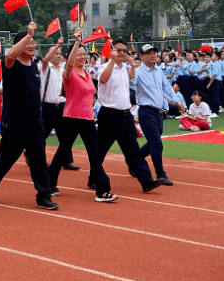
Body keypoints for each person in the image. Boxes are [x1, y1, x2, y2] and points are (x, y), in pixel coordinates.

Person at [0, 23, 58, 210]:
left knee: (39, 159)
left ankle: (43, 196)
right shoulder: (11, 64)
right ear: (18, 44)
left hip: (35, 123)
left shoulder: (34, 67)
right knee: (5, 160)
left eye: (33, 42)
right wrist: (28, 35)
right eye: (27, 42)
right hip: (14, 122)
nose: (32, 45)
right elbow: (9, 55)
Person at [47, 32, 113, 201]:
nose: (83, 57)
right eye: (79, 54)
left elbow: (90, 95)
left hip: (88, 119)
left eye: (85, 54)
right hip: (71, 118)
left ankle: (101, 190)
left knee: (94, 153)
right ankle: (49, 183)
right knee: (63, 152)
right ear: (71, 57)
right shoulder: (68, 73)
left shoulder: (86, 73)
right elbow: (69, 66)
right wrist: (77, 42)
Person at [96, 41, 165, 194]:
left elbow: (131, 78)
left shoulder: (125, 68)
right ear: (111, 51)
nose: (121, 53)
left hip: (125, 115)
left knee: (133, 150)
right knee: (100, 150)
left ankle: (146, 181)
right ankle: (94, 177)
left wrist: (132, 66)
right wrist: (113, 61)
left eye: (124, 50)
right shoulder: (104, 66)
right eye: (118, 50)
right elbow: (102, 79)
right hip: (108, 114)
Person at [135, 43, 186, 185]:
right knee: (157, 143)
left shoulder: (158, 71)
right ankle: (161, 174)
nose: (153, 55)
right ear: (142, 56)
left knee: (153, 142)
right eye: (149, 53)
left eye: (154, 52)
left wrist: (176, 101)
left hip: (158, 113)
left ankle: (135, 160)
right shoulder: (138, 72)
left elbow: (166, 87)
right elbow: (129, 86)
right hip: (146, 111)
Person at [40, 41, 78, 171]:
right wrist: (57, 45)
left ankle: (67, 161)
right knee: (42, 135)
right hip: (47, 107)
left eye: (60, 54)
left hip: (62, 106)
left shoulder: (64, 69)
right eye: (55, 53)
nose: (58, 55)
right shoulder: (45, 67)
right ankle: (35, 157)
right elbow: (45, 60)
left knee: (65, 136)